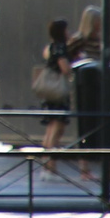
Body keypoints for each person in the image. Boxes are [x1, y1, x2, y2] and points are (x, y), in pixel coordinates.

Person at [32, 17, 75, 151]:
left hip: (50, 91)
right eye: (67, 30)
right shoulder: (60, 48)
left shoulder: (50, 46)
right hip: (58, 90)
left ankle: (47, 162)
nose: (69, 32)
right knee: (57, 126)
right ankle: (50, 161)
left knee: (51, 126)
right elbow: (65, 68)